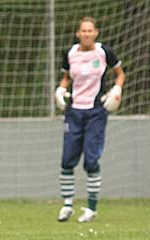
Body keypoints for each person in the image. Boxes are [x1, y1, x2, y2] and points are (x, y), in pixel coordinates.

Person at [54, 16, 125, 223]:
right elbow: (66, 78)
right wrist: (60, 90)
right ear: (78, 33)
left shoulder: (104, 52)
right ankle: (67, 205)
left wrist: (117, 89)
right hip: (74, 112)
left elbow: (120, 74)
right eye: (83, 30)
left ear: (96, 33)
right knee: (67, 159)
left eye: (90, 30)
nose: (86, 34)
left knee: (91, 160)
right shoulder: (70, 53)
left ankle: (92, 209)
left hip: (96, 112)